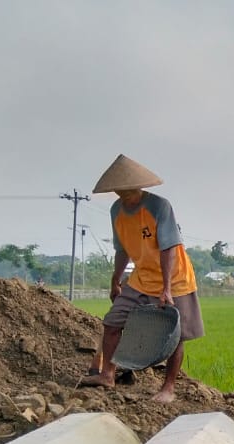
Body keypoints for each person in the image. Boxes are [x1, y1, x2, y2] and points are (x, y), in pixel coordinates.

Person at [82, 154, 204, 403]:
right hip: (141, 278)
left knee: (176, 334)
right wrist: (115, 279)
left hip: (176, 278)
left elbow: (168, 248)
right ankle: (107, 375)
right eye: (120, 190)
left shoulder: (159, 206)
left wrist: (167, 289)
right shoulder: (117, 211)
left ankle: (168, 388)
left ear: (139, 186)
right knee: (113, 322)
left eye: (129, 189)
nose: (125, 194)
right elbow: (122, 249)